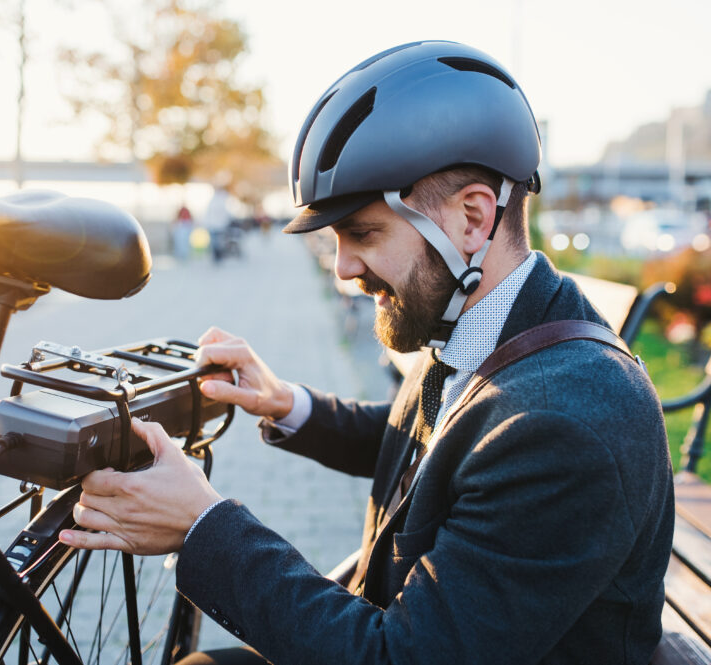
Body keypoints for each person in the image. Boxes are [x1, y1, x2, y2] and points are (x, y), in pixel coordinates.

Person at [59, 41, 674, 664]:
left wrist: (202, 526)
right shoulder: (492, 325)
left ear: (472, 219)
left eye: (362, 234)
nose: (343, 270)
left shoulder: (565, 422)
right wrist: (288, 403)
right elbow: (440, 449)